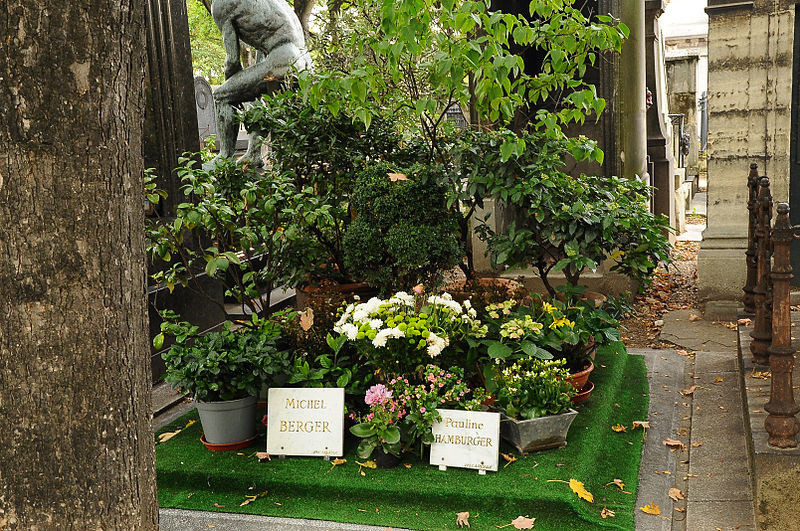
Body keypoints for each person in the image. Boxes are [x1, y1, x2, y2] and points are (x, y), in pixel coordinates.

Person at [204, 0, 312, 169]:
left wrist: (231, 87)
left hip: (281, 59)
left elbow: (233, 61)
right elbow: (262, 54)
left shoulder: (221, 4)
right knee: (253, 93)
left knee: (222, 96)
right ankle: (254, 154)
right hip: (304, 62)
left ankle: (225, 158)